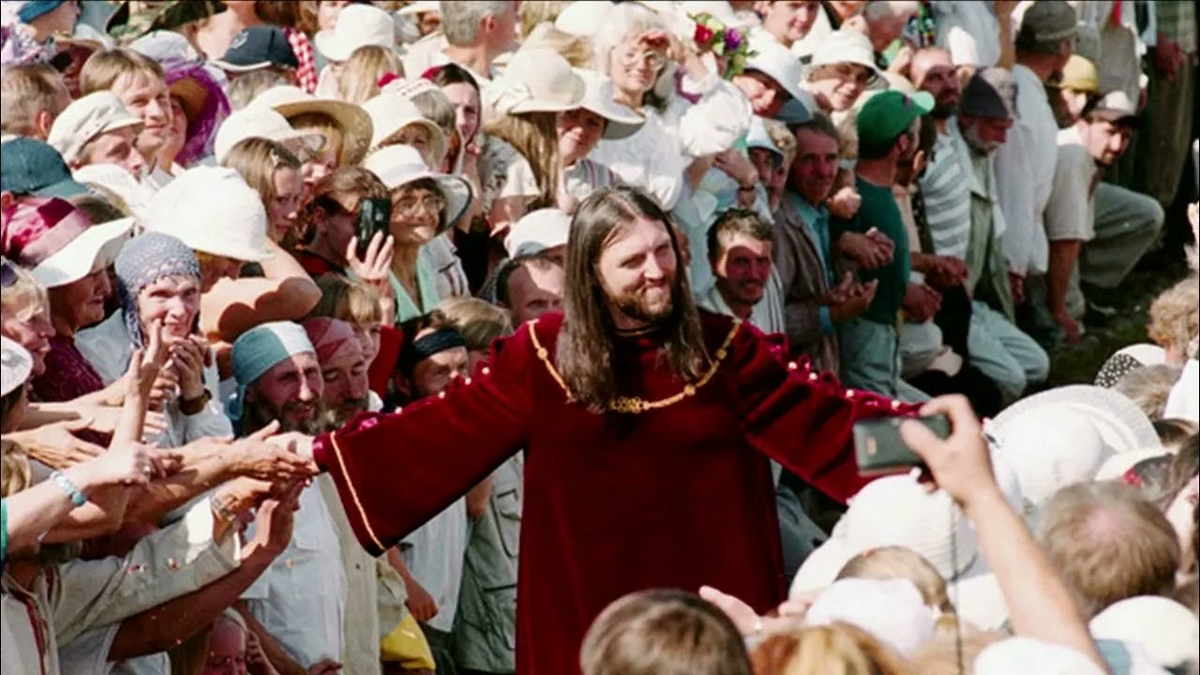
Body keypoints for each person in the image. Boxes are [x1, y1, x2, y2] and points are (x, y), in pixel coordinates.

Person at [299, 185, 916, 674]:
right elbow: (438, 434)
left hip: (708, 624)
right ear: (592, 272)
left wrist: (931, 440)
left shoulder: (724, 349)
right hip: (587, 625)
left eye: (663, 250)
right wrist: (317, 456)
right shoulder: (543, 356)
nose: (656, 270)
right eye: (633, 260)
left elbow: (829, 426)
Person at [226, 321, 346, 675]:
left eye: (312, 373)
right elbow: (234, 606)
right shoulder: (242, 480)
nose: (306, 393)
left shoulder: (313, 469)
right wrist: (291, 671)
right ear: (250, 392)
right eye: (287, 378)